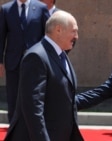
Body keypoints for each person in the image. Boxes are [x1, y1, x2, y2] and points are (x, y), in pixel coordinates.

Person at [4, 10, 81, 141]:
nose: (77, 36)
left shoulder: (62, 55)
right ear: (58, 30)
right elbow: (33, 107)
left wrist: (103, 93)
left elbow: (63, 97)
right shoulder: (36, 57)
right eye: (74, 31)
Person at [0, 0, 50, 122]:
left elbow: (48, 35)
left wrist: (47, 57)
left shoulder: (41, 8)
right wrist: (0, 62)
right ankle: (13, 128)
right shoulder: (6, 9)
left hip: (35, 61)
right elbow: (1, 37)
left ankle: (33, 127)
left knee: (34, 96)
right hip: (13, 61)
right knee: (13, 98)